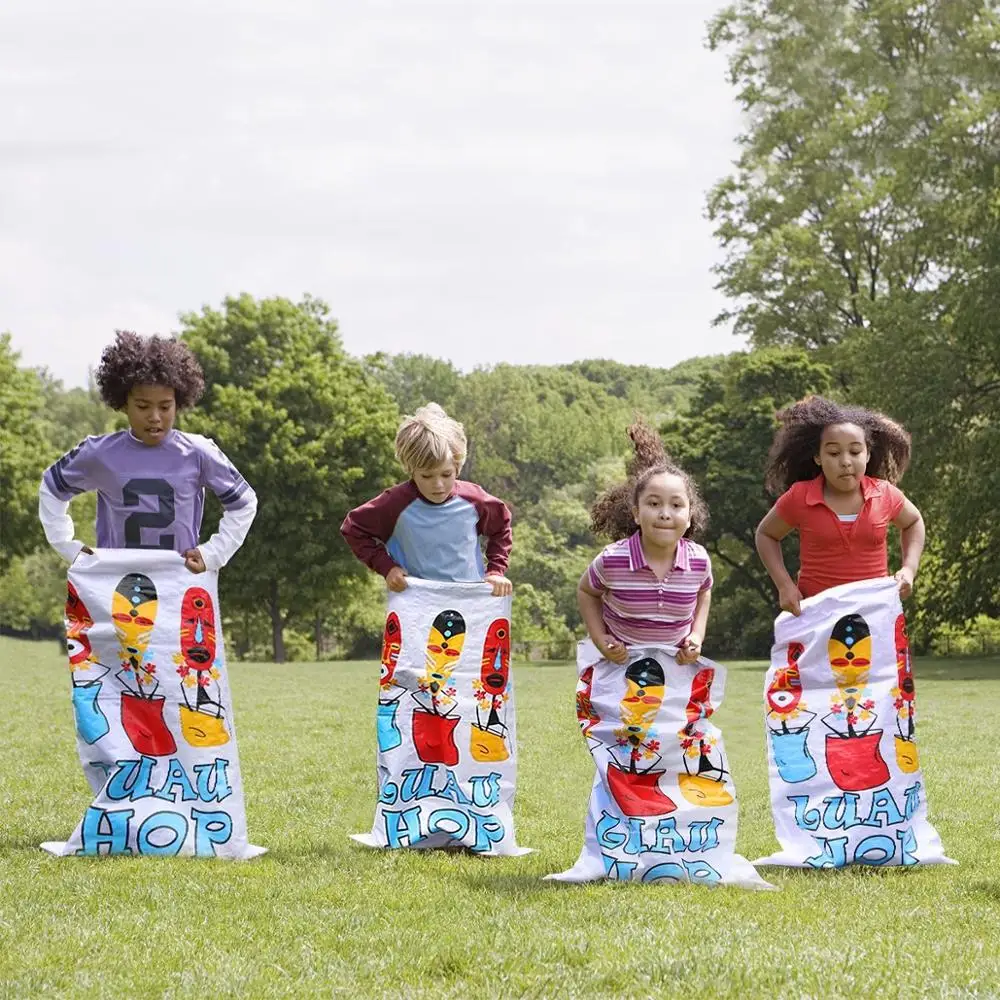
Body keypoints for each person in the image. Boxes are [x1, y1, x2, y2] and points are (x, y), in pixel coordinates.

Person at [39, 330, 257, 570]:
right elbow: (51, 487)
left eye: (165, 407)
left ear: (178, 402)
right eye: (143, 406)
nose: (155, 417)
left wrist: (213, 554)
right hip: (113, 587)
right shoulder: (98, 453)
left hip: (179, 585)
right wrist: (69, 547)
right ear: (123, 403)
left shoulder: (199, 452)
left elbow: (244, 503)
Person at [755, 395, 924, 616]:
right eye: (834, 453)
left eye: (855, 452)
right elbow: (766, 534)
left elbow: (913, 522)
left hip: (876, 616)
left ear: (868, 454)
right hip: (817, 617)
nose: (845, 461)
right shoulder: (800, 496)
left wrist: (909, 569)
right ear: (818, 457)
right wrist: (784, 585)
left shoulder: (884, 494)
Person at [341, 402, 512, 594]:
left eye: (446, 474)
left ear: (457, 466)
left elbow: (501, 526)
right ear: (411, 470)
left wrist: (496, 570)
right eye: (427, 476)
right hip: (414, 605)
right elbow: (353, 528)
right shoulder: (395, 503)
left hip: (468, 604)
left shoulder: (475, 501)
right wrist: (387, 567)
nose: (438, 485)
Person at [578, 422, 712, 665]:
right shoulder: (612, 560)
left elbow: (704, 591)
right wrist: (601, 639)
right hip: (619, 667)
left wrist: (696, 635)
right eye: (653, 504)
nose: (665, 513)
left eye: (676, 505)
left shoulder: (699, 561)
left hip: (674, 668)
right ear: (636, 514)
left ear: (690, 515)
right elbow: (587, 591)